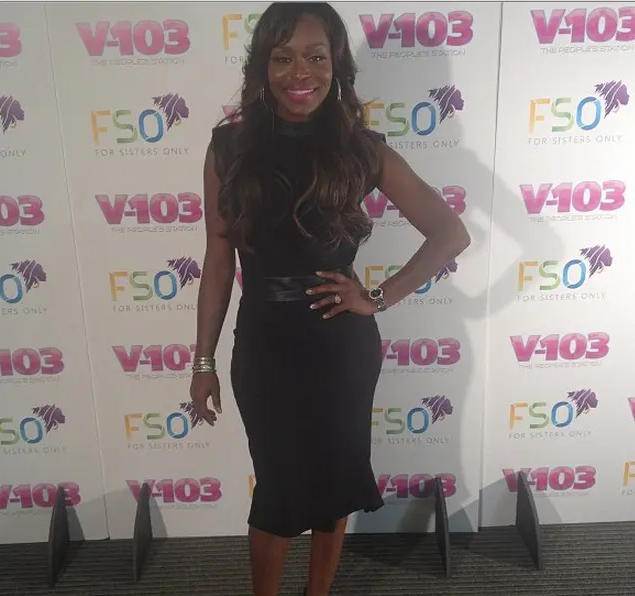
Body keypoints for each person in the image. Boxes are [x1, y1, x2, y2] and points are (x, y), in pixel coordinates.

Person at [189, 3, 470, 595]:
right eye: (283, 58)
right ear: (263, 67)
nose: (301, 73)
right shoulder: (228, 148)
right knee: (277, 491)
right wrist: (203, 360)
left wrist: (377, 297)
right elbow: (217, 258)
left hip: (341, 345)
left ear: (336, 66)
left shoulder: (361, 149)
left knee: (335, 483)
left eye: (316, 57)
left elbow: (450, 233)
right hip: (264, 344)